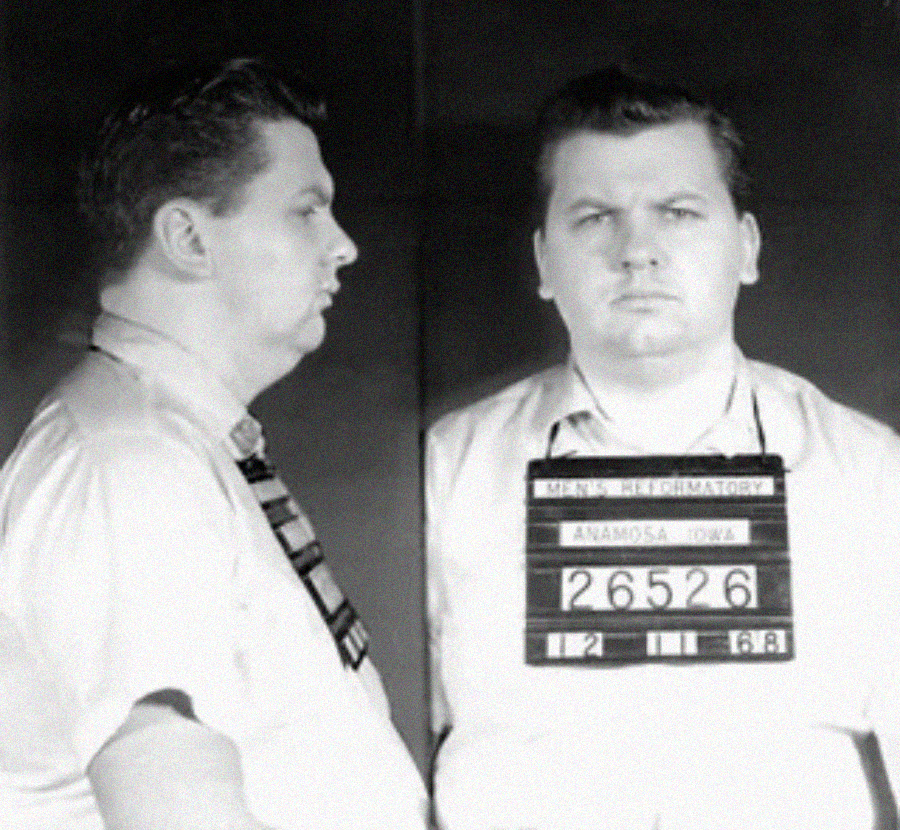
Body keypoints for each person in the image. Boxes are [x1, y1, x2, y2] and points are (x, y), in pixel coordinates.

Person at [425, 65, 900, 830]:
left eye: (677, 212)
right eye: (594, 218)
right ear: (543, 261)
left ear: (745, 247)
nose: (636, 251)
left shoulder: (872, 474)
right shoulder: (445, 471)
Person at [0, 56, 427, 830]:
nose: (343, 246)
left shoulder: (179, 447)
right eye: (306, 210)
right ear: (189, 238)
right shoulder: (130, 468)